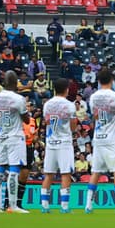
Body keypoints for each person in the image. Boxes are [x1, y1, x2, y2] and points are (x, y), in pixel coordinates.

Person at [86, 67, 115, 213]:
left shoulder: (93, 97)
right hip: (113, 139)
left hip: (99, 137)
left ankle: (88, 205)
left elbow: (95, 116)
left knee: (96, 171)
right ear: (112, 80)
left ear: (98, 80)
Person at [0, 71, 30, 213]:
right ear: (15, 83)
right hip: (15, 136)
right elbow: (27, 119)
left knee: (0, 169)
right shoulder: (18, 99)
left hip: (2, 135)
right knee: (14, 170)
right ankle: (12, 205)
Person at [40, 78, 77, 213]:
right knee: (65, 174)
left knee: (48, 175)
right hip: (64, 143)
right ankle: (64, 206)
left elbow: (46, 122)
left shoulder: (47, 104)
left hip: (51, 143)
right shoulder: (70, 105)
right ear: (66, 89)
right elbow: (73, 126)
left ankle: (44, 206)